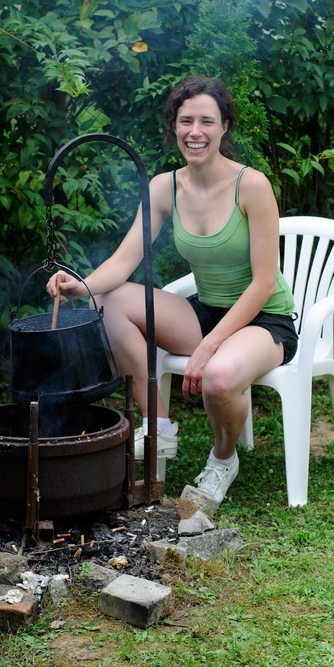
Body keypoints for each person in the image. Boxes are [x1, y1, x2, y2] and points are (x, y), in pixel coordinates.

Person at [46, 76, 298, 507]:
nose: (195, 132)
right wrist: (78, 285)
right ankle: (159, 427)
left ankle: (223, 460)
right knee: (106, 300)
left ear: (224, 127)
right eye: (186, 121)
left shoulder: (251, 185)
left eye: (206, 121)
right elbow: (125, 261)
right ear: (174, 126)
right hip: (206, 311)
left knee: (218, 379)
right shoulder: (165, 187)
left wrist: (210, 348)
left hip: (262, 319)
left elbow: (264, 283)